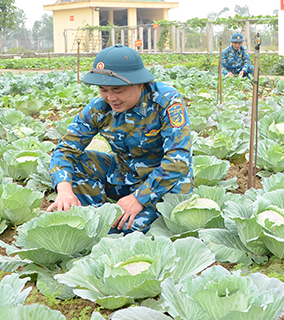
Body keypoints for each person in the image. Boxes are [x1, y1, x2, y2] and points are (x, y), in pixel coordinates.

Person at [48, 44, 193, 233]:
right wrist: (64, 189)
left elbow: (178, 159)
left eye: (118, 90)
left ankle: (117, 222)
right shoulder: (99, 108)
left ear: (139, 83)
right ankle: (93, 217)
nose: (110, 98)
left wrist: (139, 198)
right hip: (125, 176)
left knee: (130, 230)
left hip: (164, 184)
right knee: (77, 165)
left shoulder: (166, 102)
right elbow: (65, 150)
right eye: (103, 89)